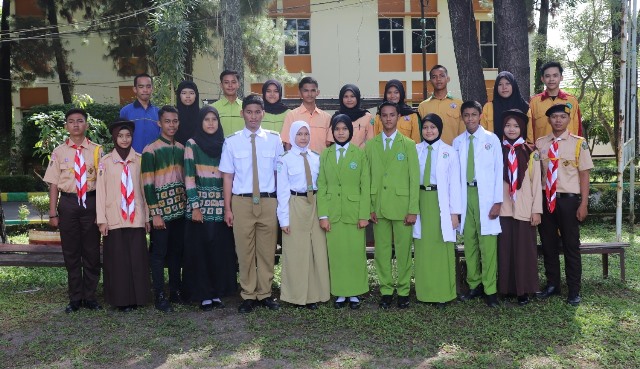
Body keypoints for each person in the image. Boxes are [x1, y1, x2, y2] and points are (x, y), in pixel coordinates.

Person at [219, 95, 284, 313]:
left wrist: (280, 204)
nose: (253, 116)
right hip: (242, 202)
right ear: (242, 113)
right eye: (249, 112)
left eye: (257, 112)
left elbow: (279, 175)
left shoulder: (274, 140)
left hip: (267, 201)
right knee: (244, 250)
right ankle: (248, 294)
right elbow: (227, 177)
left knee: (267, 250)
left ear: (263, 113)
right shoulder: (232, 141)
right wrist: (228, 208)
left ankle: (264, 293)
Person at [43, 108, 103, 313]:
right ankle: (75, 298)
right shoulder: (59, 152)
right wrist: (53, 213)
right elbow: (52, 184)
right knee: (71, 252)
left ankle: (91, 296)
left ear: (86, 125)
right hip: (68, 204)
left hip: (91, 202)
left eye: (80, 121)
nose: (76, 124)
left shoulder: (97, 150)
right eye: (71, 121)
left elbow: (104, 182)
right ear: (66, 126)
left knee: (92, 252)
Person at [535, 104, 593, 306]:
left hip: (568, 200)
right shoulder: (541, 143)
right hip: (546, 199)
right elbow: (537, 175)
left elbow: (584, 175)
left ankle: (574, 290)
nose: (558, 120)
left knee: (570, 245)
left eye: (562, 117)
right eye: (554, 117)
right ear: (549, 120)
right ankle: (552, 285)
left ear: (569, 120)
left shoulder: (579, 143)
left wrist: (583, 203)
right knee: (548, 244)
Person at [182, 106, 238, 311]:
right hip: (200, 209)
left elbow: (229, 176)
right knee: (201, 253)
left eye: (214, 119)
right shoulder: (192, 144)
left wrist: (228, 207)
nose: (211, 123)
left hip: (221, 208)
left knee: (219, 252)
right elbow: (188, 177)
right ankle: (203, 294)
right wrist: (195, 206)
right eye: (207, 119)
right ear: (200, 122)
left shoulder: (225, 144)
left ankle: (216, 293)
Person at [365, 101, 419, 309]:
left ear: (398, 117)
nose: (388, 119)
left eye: (392, 115)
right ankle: (386, 290)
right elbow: (368, 177)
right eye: (384, 115)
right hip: (379, 207)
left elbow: (414, 179)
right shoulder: (371, 145)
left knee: (404, 251)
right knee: (382, 252)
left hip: (402, 207)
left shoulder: (408, 145)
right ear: (379, 118)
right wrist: (369, 206)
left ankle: (404, 290)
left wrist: (413, 209)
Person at [96, 118, 151, 312]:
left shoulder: (140, 160)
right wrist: (101, 220)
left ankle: (138, 298)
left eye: (128, 136)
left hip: (136, 217)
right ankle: (120, 300)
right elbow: (100, 193)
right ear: (114, 137)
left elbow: (145, 190)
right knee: (118, 261)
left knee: (137, 260)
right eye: (120, 135)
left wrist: (147, 217)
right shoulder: (105, 162)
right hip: (114, 218)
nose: (124, 139)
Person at [317, 114, 371, 310]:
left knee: (355, 253)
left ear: (350, 131)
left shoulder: (359, 154)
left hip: (353, 211)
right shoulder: (326, 154)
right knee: (337, 253)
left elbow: (365, 186)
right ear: (332, 131)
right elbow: (321, 185)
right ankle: (340, 292)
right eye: (337, 129)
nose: (341, 133)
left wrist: (364, 214)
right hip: (333, 213)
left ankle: (355, 292)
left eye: (344, 129)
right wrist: (323, 215)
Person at [453, 101, 503, 308]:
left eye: (474, 114)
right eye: (467, 115)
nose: (470, 118)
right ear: (462, 117)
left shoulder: (491, 139)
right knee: (470, 243)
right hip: (466, 196)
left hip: (486, 197)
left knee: (488, 246)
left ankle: (490, 289)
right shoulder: (457, 142)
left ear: (481, 115)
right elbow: (454, 175)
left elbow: (499, 171)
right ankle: (475, 285)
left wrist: (498, 201)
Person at [276, 121, 330, 309]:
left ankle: (315, 295)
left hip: (315, 204)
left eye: (306, 134)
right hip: (295, 204)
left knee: (317, 249)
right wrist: (284, 219)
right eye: (299, 134)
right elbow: (282, 190)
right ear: (292, 136)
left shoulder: (317, 157)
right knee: (297, 251)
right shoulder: (285, 159)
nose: (303, 137)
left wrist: (324, 213)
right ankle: (297, 296)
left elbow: (323, 185)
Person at [141, 105, 187, 312]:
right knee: (159, 254)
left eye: (175, 121)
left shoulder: (181, 148)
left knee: (177, 252)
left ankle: (175, 291)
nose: (171, 125)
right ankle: (159, 294)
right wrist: (155, 213)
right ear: (159, 123)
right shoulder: (150, 150)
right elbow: (147, 184)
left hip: (180, 210)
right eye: (167, 121)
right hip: (161, 213)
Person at [413, 113, 461, 306]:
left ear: (439, 129)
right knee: (423, 247)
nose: (429, 131)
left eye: (433, 127)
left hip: (441, 202)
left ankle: (443, 293)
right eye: (425, 127)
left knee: (442, 248)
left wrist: (455, 213)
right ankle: (424, 292)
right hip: (420, 201)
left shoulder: (449, 152)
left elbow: (454, 185)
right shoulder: (414, 150)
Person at [497, 109, 541, 306]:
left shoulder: (532, 152)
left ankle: (524, 289)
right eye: (508, 125)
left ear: (522, 128)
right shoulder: (497, 149)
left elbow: (537, 183)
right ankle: (506, 289)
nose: (511, 129)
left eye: (515, 125)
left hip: (525, 208)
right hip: (503, 209)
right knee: (505, 249)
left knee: (525, 249)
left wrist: (536, 210)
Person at [527, 61, 583, 143]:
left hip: (568, 150)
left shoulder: (572, 101)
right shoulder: (534, 102)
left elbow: (578, 129)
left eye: (555, 75)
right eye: (547, 76)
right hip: (543, 151)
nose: (551, 79)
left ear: (561, 77)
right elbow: (530, 130)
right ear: (542, 79)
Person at [280, 76, 332, 152]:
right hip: (298, 162)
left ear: (318, 92)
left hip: (321, 162)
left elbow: (329, 145)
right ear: (300, 93)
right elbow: (288, 143)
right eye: (306, 91)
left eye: (313, 90)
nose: (309, 94)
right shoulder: (291, 115)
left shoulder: (327, 118)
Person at [418, 65, 465, 145]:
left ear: (448, 79)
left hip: (453, 152)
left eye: (442, 76)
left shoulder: (459, 104)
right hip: (430, 152)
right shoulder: (423, 106)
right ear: (430, 81)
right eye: (434, 77)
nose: (438, 79)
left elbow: (463, 133)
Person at [480, 71, 530, 141]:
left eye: (508, 83)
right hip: (493, 149)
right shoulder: (488, 107)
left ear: (513, 85)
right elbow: (482, 134)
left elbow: (529, 137)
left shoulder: (525, 107)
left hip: (520, 150)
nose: (504, 87)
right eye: (500, 84)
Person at [120, 73, 160, 153]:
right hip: (132, 159)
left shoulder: (159, 112)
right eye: (141, 87)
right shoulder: (125, 111)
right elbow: (120, 136)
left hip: (154, 158)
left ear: (152, 89)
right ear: (135, 89)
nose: (145, 90)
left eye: (148, 86)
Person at [213, 70, 244, 134]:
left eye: (233, 82)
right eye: (226, 82)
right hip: (220, 144)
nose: (230, 85)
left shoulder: (246, 107)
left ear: (238, 84)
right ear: (221, 85)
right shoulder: (213, 108)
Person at [174, 80, 200, 145]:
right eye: (184, 93)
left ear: (196, 95)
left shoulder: (202, 115)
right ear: (179, 95)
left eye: (191, 93)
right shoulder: (173, 114)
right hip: (176, 151)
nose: (188, 96)